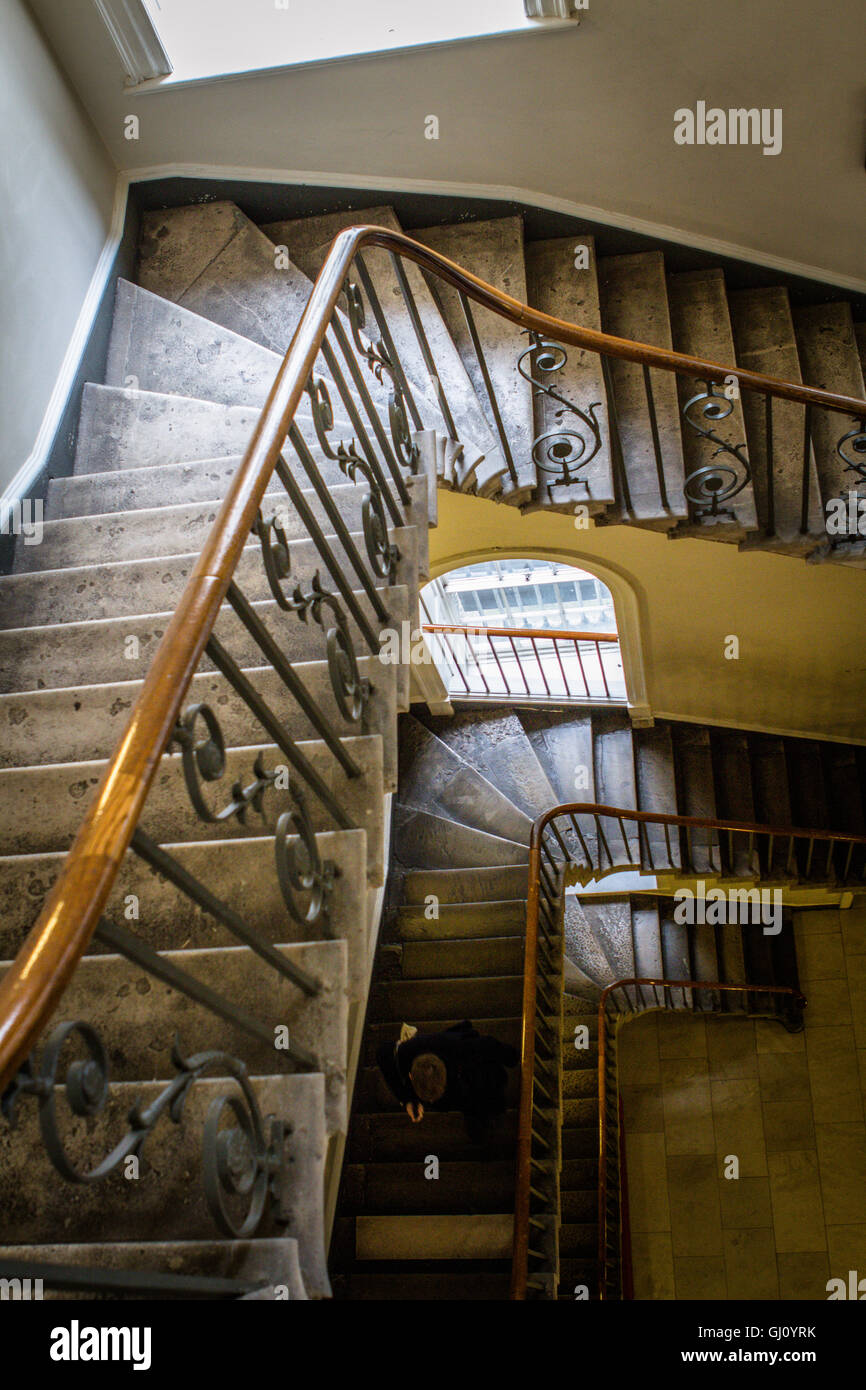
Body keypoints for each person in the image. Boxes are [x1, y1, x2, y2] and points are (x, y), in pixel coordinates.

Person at [375, 1019, 519, 1142]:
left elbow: (490, 1045)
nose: (430, 1102)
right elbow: (382, 1053)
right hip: (459, 1088)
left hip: (480, 1077)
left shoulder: (464, 1049)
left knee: (490, 1104)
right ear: (411, 1077)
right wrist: (407, 1100)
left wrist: (512, 1058)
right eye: (428, 1100)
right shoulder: (406, 1052)